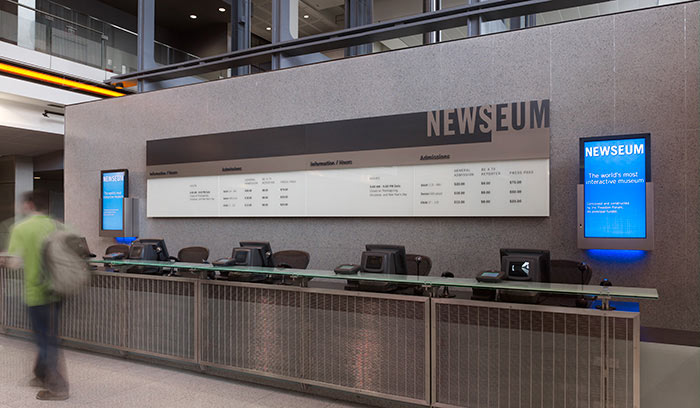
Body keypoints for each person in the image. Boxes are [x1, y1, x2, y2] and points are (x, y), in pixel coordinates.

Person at [6, 191, 69, 400]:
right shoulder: (58, 225)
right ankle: (40, 374)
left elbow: (15, 263)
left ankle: (58, 388)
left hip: (36, 294)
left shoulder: (21, 228)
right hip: (57, 291)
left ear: (29, 205)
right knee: (48, 335)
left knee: (44, 340)